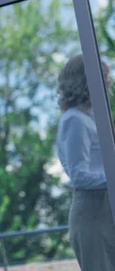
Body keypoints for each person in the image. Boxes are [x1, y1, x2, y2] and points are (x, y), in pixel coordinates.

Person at [56, 54, 115, 270]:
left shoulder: (92, 117)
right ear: (86, 81)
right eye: (103, 76)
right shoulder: (74, 120)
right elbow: (78, 175)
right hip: (92, 214)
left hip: (106, 210)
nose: (108, 82)